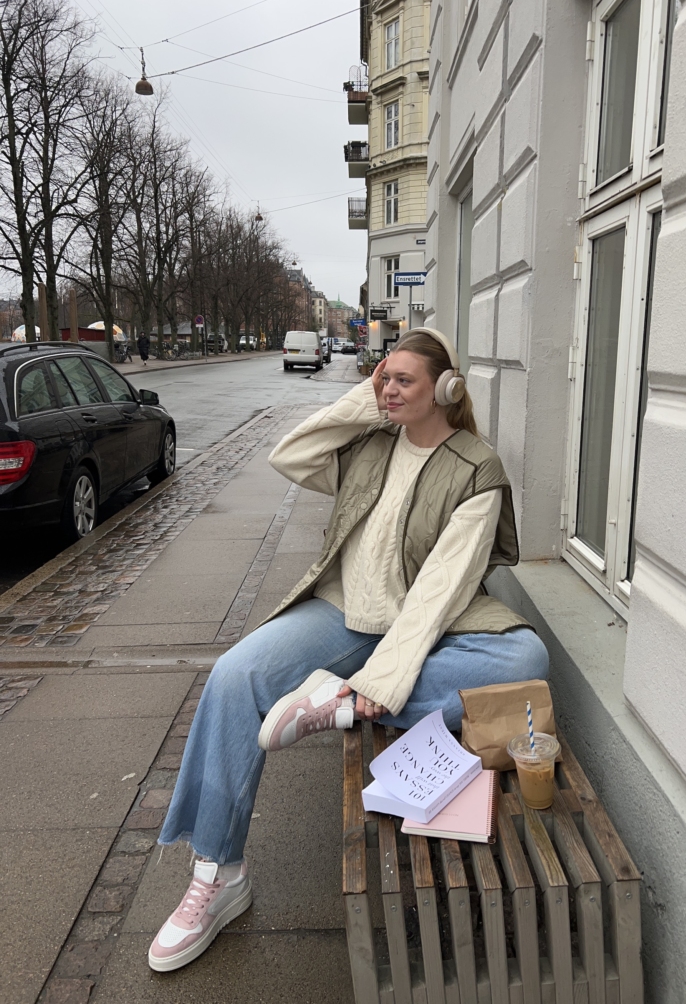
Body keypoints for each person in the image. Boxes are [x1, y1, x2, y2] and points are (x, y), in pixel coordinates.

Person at [147, 328, 549, 973]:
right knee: (232, 675)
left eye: (403, 381)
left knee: (525, 661)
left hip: (431, 618)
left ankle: (336, 705)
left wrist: (374, 688)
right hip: (343, 614)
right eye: (383, 377)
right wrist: (366, 401)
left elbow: (438, 593)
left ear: (445, 389)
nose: (388, 389)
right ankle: (217, 874)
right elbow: (290, 454)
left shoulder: (477, 468)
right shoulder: (369, 443)